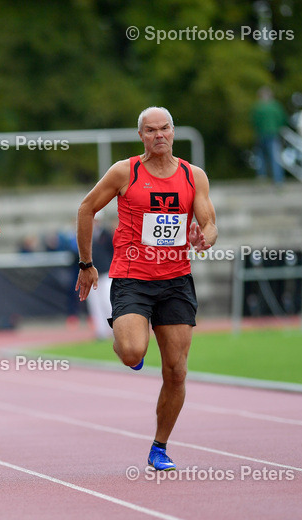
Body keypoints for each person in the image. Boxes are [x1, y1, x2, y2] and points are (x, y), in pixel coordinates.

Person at [75, 107, 217, 471]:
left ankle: (159, 447)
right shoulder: (125, 172)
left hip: (176, 281)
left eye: (164, 128)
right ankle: (127, 344)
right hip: (133, 278)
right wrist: (87, 264)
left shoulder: (193, 175)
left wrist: (205, 237)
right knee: (131, 351)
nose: (159, 135)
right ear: (141, 136)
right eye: (151, 130)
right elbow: (86, 208)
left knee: (176, 371)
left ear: (173, 131)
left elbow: (210, 223)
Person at [85, 218, 115, 340]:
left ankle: (114, 328)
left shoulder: (106, 234)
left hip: (105, 273)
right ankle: (101, 331)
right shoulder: (84, 235)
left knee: (107, 302)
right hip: (90, 275)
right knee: (95, 304)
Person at [252, 86, 287, 184]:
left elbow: (255, 122)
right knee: (275, 157)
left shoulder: (258, 107)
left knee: (261, 157)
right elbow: (282, 120)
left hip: (261, 134)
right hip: (274, 134)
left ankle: (262, 177)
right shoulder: (276, 106)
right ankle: (278, 179)